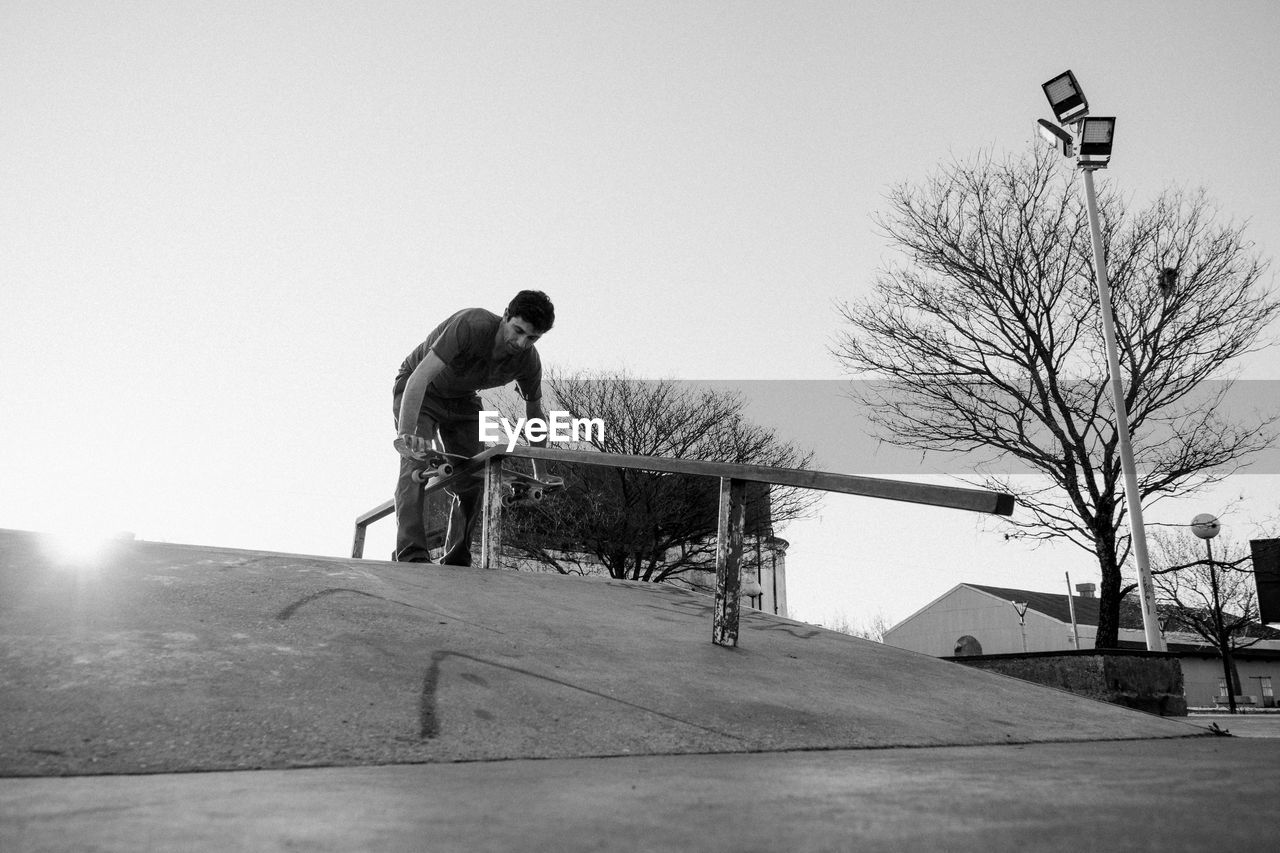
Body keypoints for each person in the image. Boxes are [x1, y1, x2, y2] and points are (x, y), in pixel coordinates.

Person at [392, 290, 555, 564]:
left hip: (463, 400)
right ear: (505, 315)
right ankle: (411, 553)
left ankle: (457, 555)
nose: (520, 342)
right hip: (421, 391)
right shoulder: (472, 325)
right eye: (517, 331)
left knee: (474, 475)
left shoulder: (528, 362)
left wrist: (542, 472)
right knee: (415, 465)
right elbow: (419, 377)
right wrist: (407, 434)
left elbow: (535, 415)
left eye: (532, 338)